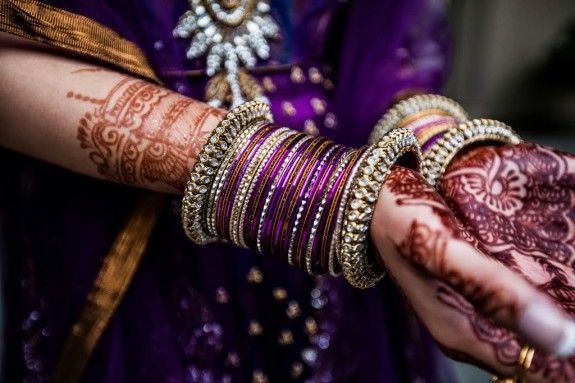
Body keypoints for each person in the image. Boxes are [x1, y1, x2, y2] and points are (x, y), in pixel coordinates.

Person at [0, 1, 574, 382]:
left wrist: (456, 165)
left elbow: (382, 42)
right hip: (118, 227)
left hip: (359, 245)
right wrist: (322, 188)